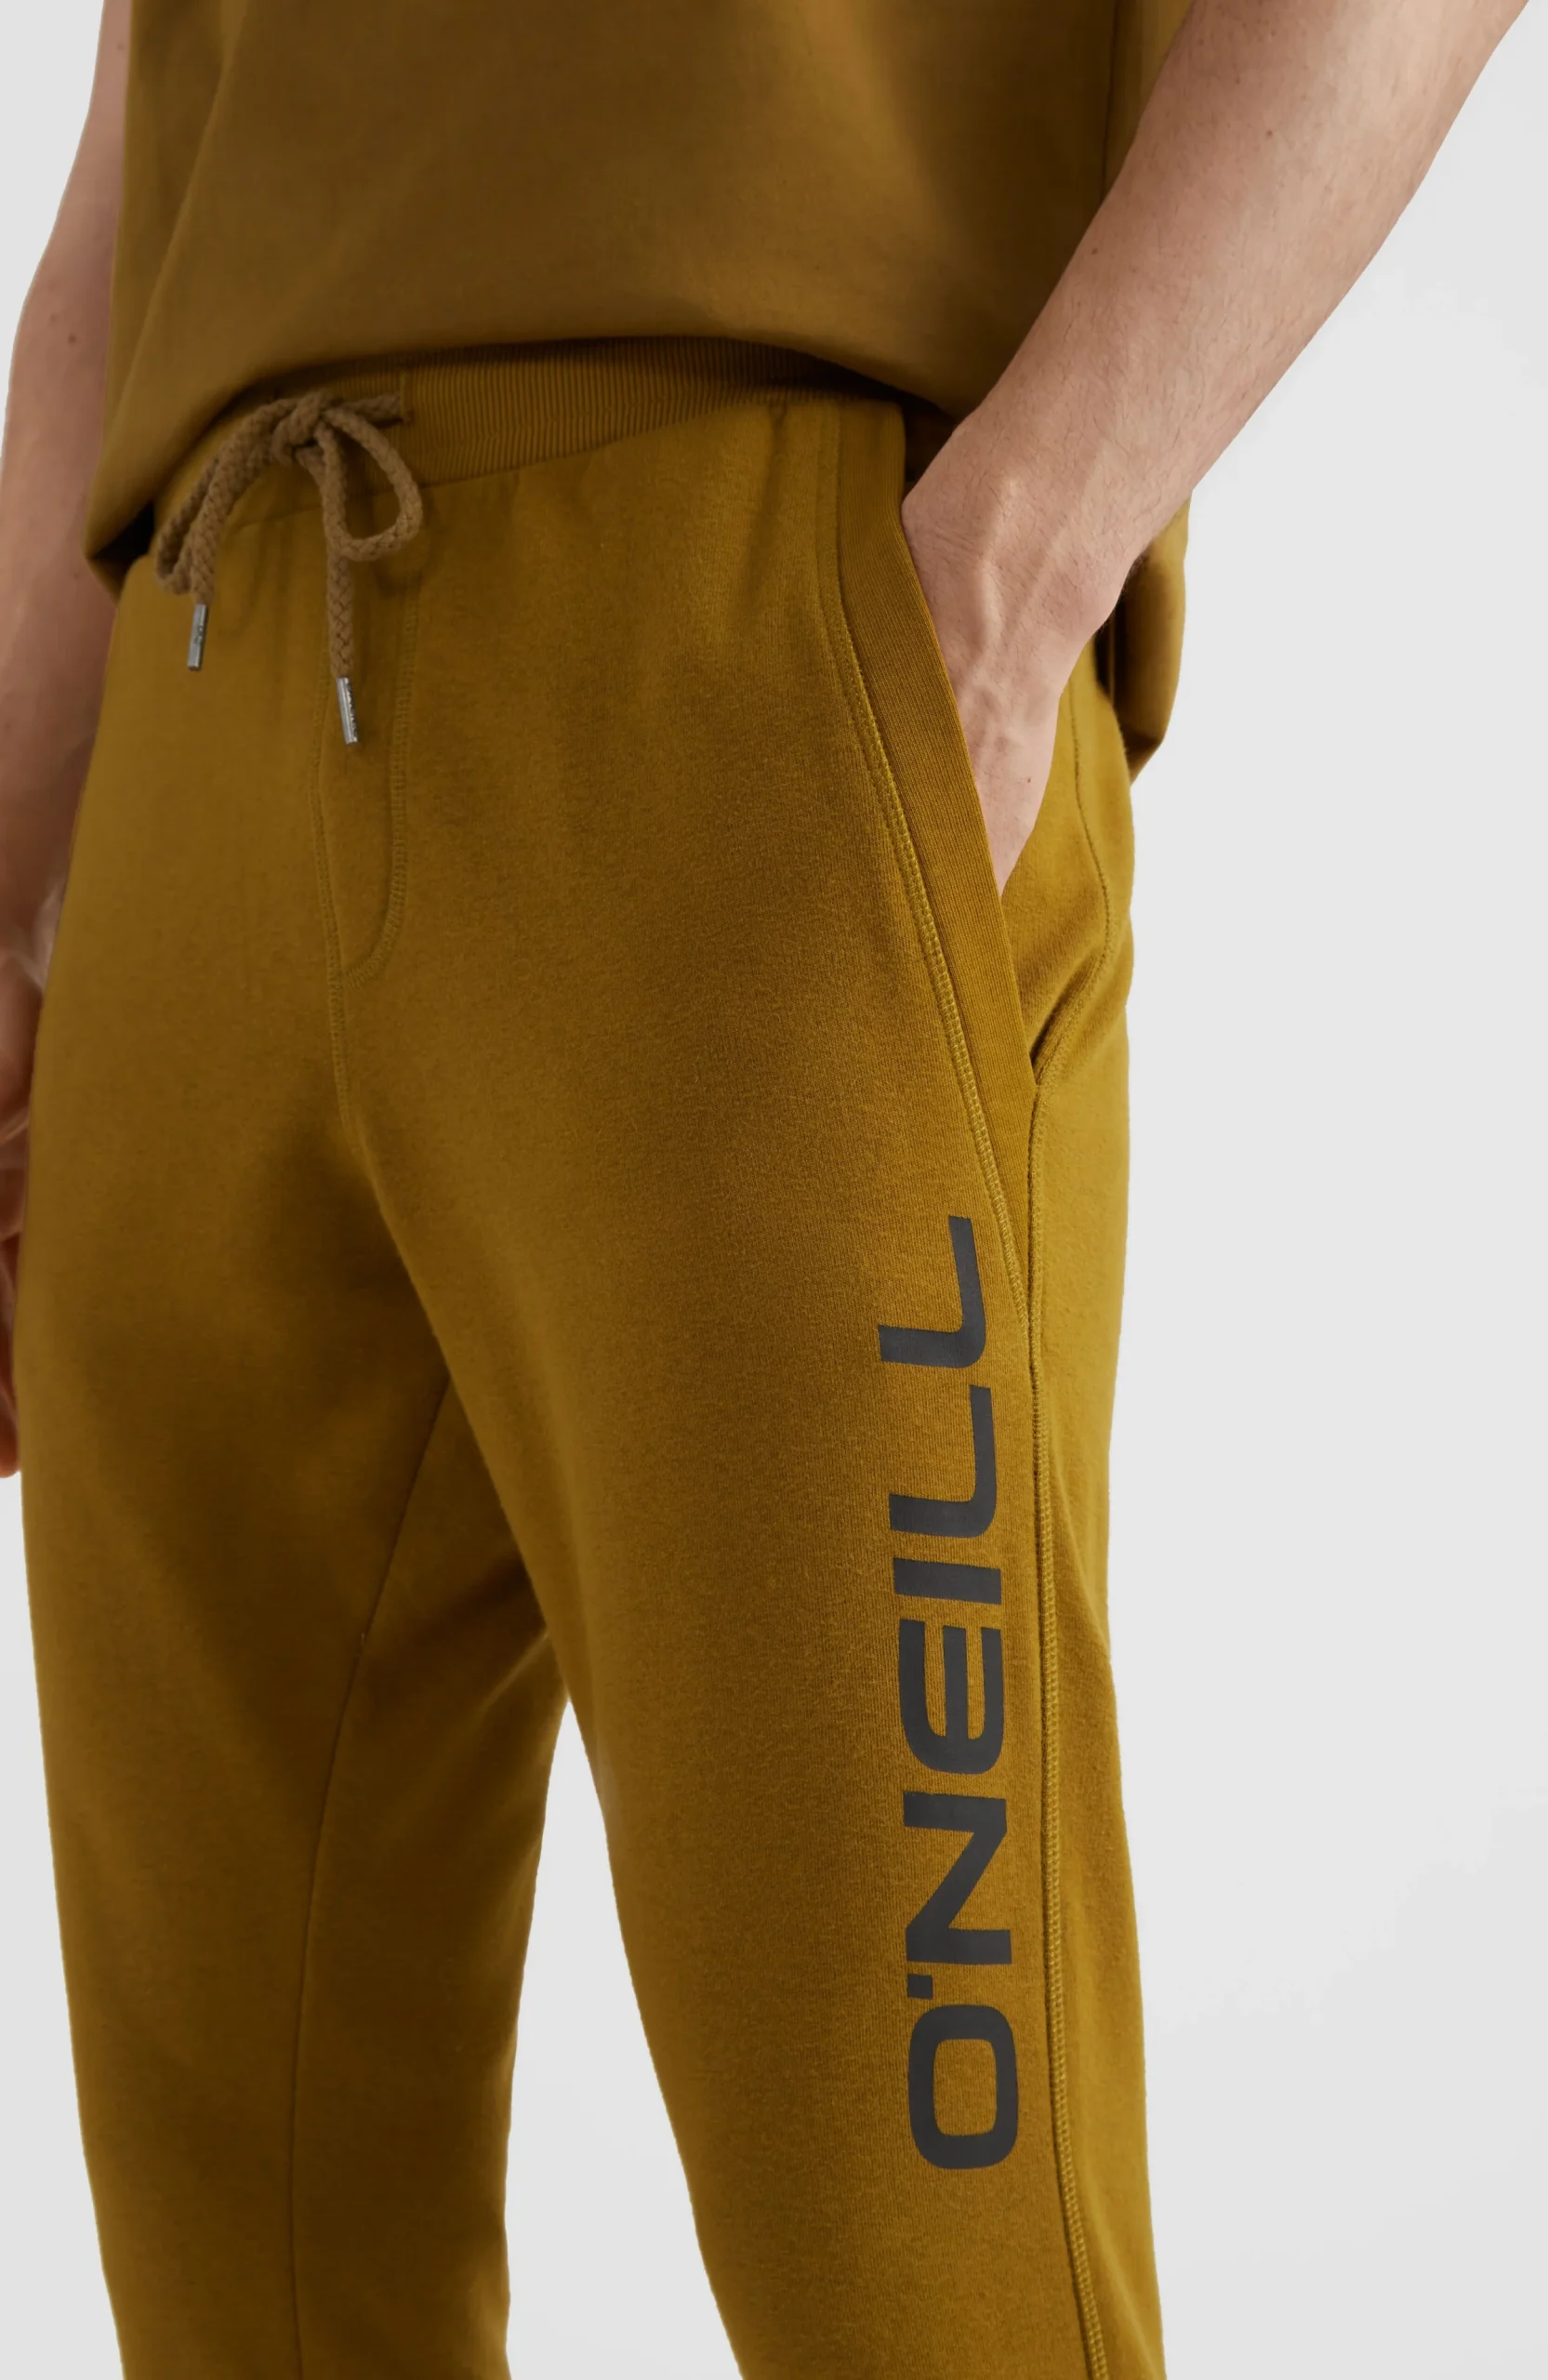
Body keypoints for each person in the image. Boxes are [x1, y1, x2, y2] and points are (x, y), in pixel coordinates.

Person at [0, 0, 1527, 2372]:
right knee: (246, 2303)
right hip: (198, 681)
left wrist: (1004, 580)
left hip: (751, 654)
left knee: (927, 2293)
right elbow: (140, 95)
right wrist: (8, 891)